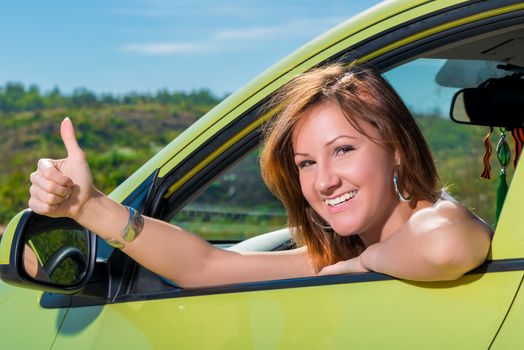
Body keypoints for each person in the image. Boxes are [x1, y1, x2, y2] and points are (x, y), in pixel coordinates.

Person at [28, 64, 493, 287]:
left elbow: (445, 244)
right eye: (307, 162)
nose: (324, 181)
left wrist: (364, 264)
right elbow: (204, 267)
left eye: (344, 150)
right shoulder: (343, 251)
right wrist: (87, 207)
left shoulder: (432, 219)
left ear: (396, 151)